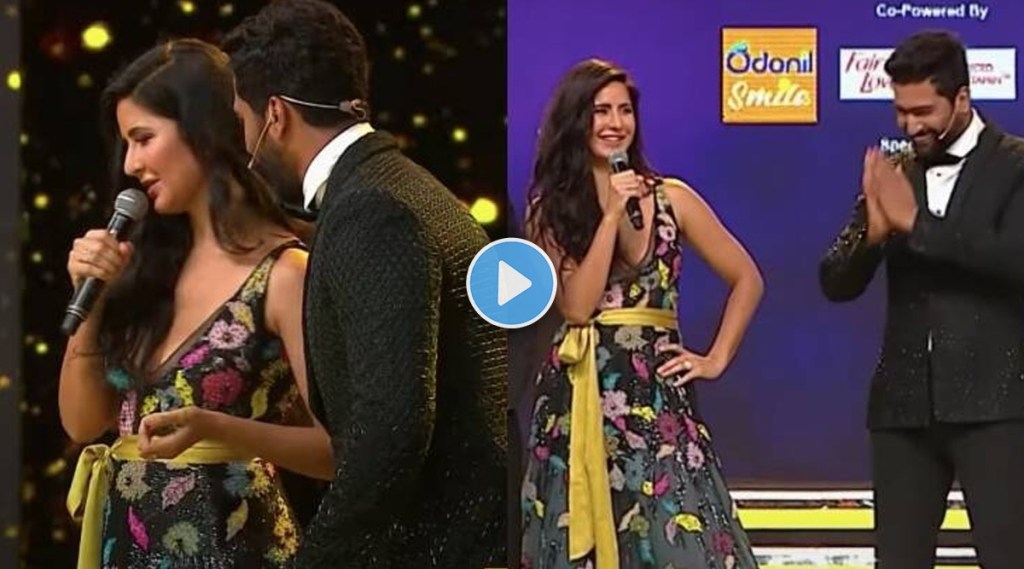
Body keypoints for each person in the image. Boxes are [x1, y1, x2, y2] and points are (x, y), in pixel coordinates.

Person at [222, 1, 508, 567]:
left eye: (242, 122)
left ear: (275, 114)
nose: (244, 144)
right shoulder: (399, 186)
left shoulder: (371, 209)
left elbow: (389, 433)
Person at [59, 39, 333, 568]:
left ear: (202, 131)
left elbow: (339, 452)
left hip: (237, 548)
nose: (132, 164)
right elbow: (81, 423)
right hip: (129, 545)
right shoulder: (141, 267)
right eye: (126, 145)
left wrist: (219, 430)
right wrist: (90, 302)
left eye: (144, 139)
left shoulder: (285, 273)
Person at [519, 58, 764, 569]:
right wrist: (611, 215)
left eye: (624, 110)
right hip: (580, 394)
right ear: (576, 120)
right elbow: (577, 306)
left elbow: (747, 278)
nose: (615, 122)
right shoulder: (549, 211)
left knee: (681, 532)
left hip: (657, 395)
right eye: (600, 110)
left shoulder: (674, 198)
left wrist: (715, 358)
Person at [820, 30, 1024, 569]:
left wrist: (915, 224)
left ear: (962, 98)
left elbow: (1012, 259)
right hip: (903, 408)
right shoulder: (897, 175)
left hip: (997, 403)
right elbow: (835, 281)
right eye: (900, 112)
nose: (910, 126)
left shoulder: (1016, 165)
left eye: (923, 111)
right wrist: (873, 235)